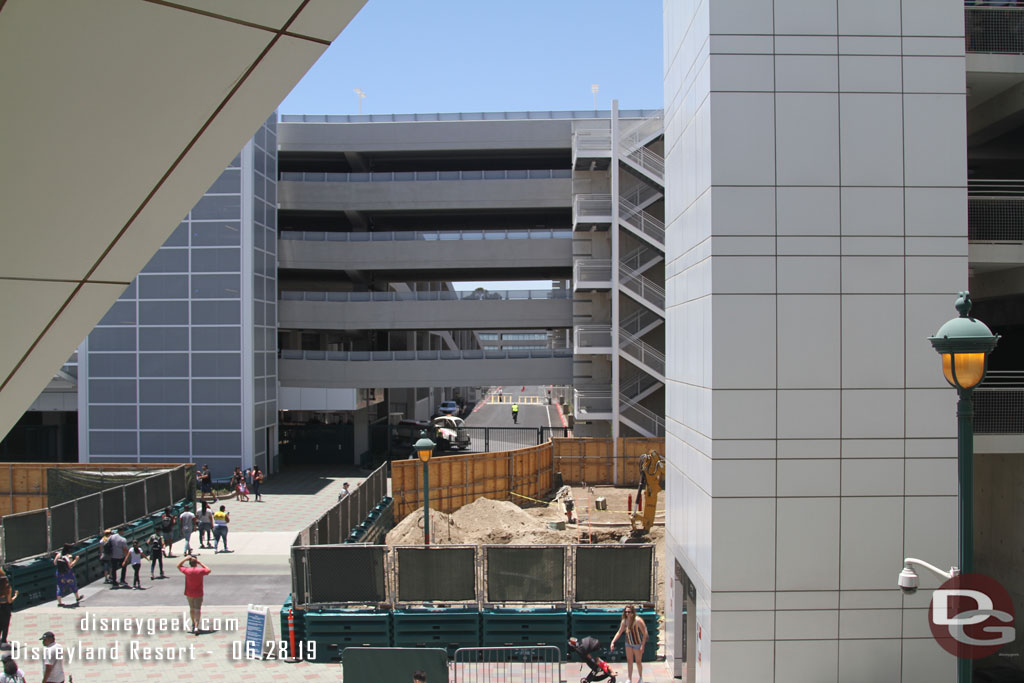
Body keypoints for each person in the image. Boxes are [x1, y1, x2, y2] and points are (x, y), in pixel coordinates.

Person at [610, 604, 648, 683]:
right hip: (628, 643)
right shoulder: (625, 621)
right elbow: (619, 632)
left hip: (637, 643)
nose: (627, 613)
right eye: (626, 612)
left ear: (633, 612)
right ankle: (629, 678)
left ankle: (641, 677)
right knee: (629, 661)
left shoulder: (638, 620)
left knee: (638, 661)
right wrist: (613, 642)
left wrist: (643, 646)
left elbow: (645, 633)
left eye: (629, 612)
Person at [177, 555, 211, 635]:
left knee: (192, 609)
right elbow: (208, 570)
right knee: (197, 610)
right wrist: (200, 563)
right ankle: (196, 626)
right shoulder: (200, 571)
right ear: (196, 563)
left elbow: (178, 566)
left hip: (189, 592)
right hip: (198, 593)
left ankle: (193, 623)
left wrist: (185, 559)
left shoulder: (187, 570)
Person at [0, 573, 19, 643]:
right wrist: (15, 596)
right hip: (5, 608)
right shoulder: (7, 588)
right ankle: (4, 640)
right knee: (5, 625)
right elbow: (9, 601)